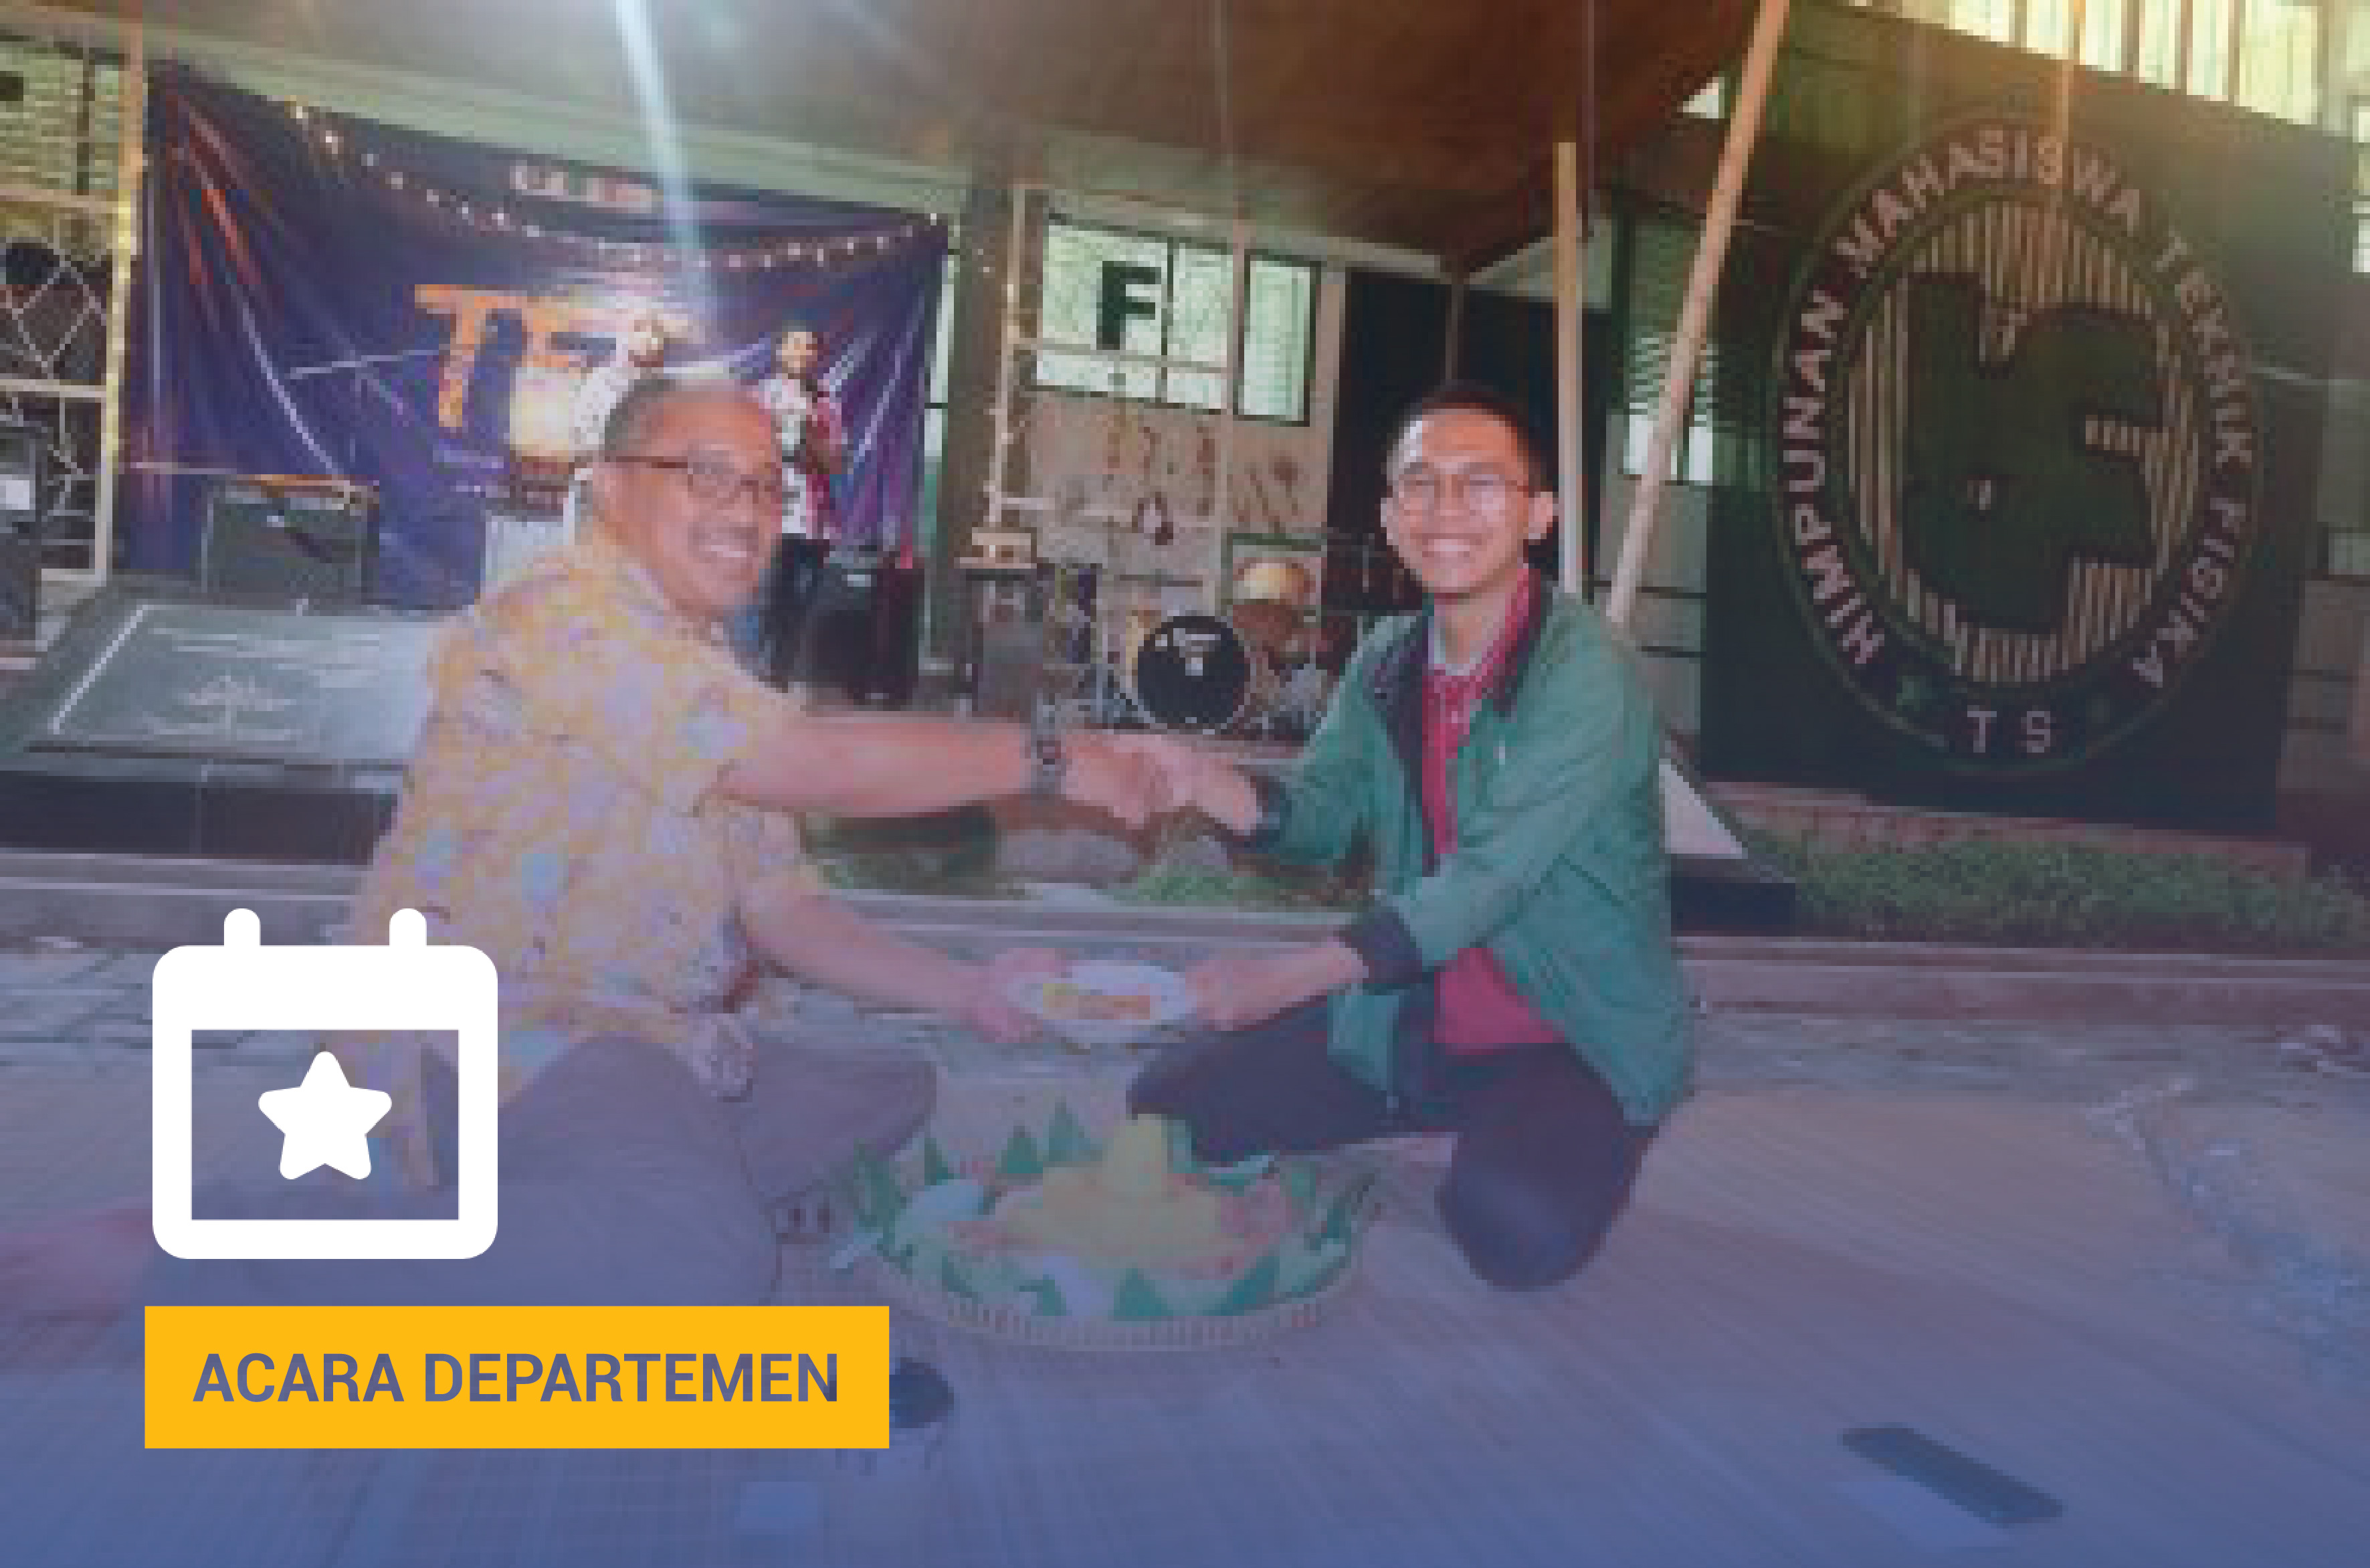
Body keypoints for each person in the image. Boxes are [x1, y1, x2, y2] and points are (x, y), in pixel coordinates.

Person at [1, 377, 1161, 1317]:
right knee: (704, 1258)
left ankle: (588, 1202)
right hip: (507, 1033)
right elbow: (815, 763)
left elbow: (787, 912)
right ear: (609, 489)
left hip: (641, 1045)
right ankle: (203, 1250)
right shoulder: (563, 618)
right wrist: (1055, 758)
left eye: (766, 484)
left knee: (888, 1091)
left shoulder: (707, 674)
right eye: (705, 473)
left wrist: (972, 991)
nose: (748, 508)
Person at [1124, 381, 1691, 1291]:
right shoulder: (1388, 658)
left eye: (1481, 483)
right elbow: (1323, 816)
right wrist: (1206, 785)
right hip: (1414, 1019)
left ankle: (1575, 1129)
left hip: (1569, 1034)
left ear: (1537, 515)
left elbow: (1487, 880)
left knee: (1515, 1230)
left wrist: (1285, 980)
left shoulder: (1585, 666)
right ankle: (1425, 1102)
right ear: (1391, 518)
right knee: (1168, 1109)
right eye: (1421, 484)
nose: (1447, 508)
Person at [749, 322, 848, 687]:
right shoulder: (760, 396)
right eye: (795, 346)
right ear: (780, 352)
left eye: (810, 348)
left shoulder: (826, 400)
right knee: (767, 595)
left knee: (802, 598)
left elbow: (836, 461)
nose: (803, 354)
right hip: (771, 510)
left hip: (813, 517)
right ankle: (750, 674)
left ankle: (780, 677)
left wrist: (814, 440)